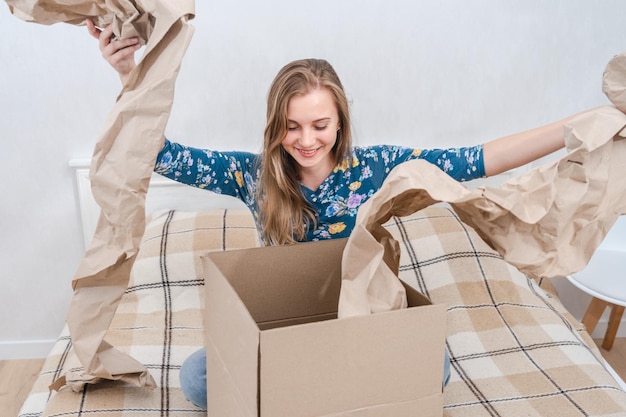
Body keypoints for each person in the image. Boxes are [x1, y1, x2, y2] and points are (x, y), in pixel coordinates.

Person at [87, 20, 589, 409]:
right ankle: (323, 393)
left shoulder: (376, 168)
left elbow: (479, 159)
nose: (306, 141)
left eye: (320, 125)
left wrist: (581, 125)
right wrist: (130, 74)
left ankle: (321, 393)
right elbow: (161, 152)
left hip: (360, 321)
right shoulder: (253, 175)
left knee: (432, 363)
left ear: (340, 121)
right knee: (197, 378)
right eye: (291, 127)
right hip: (288, 331)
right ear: (274, 126)